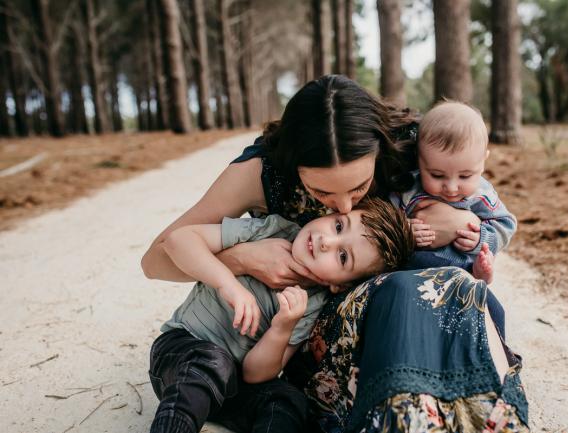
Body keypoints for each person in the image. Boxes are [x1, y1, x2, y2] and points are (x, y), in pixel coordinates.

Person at [142, 75, 526, 433]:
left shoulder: (410, 144)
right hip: (315, 330)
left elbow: (471, 182)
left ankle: (477, 409)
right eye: (322, 193)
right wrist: (241, 259)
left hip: (394, 298)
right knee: (404, 293)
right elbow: (155, 260)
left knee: (446, 287)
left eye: (359, 187)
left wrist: (459, 221)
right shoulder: (259, 173)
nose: (342, 207)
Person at [148, 197, 414, 433]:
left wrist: (282, 327)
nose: (326, 242)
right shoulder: (272, 229)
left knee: (289, 400)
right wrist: (226, 283)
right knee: (211, 361)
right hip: (181, 353)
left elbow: (255, 375)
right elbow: (178, 240)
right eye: (338, 226)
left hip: (231, 386)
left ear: (340, 286)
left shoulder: (310, 306)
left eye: (342, 256)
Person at [393, 101, 517, 284]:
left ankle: (479, 275)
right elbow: (389, 217)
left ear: (483, 162)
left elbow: (506, 225)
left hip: (461, 269)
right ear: (419, 161)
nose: (451, 188)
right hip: (414, 269)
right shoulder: (410, 188)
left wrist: (481, 240)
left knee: (479, 264)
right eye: (437, 175)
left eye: (465, 176)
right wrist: (405, 230)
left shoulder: (482, 194)